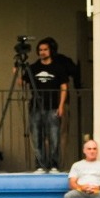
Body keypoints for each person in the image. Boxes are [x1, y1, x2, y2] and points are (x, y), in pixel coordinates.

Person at [27, 37, 67, 173]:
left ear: (50, 51)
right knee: (37, 137)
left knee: (54, 137)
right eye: (40, 50)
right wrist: (17, 69)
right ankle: (40, 165)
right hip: (36, 107)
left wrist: (61, 105)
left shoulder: (58, 68)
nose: (42, 52)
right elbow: (21, 82)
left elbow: (64, 87)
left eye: (45, 50)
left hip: (53, 107)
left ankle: (54, 165)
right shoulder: (33, 68)